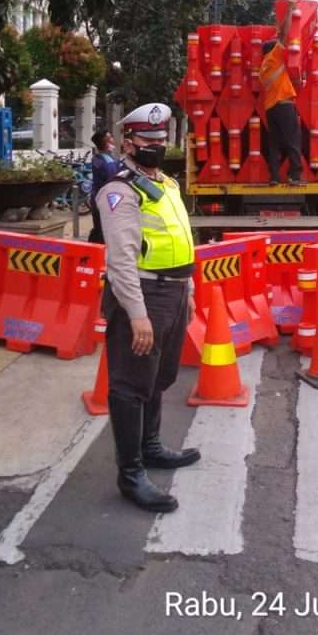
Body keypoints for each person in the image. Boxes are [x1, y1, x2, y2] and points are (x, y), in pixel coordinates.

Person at [97, 103, 199, 513]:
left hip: (172, 292)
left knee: (158, 376)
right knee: (130, 384)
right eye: (147, 140)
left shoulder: (168, 185)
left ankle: (152, 446)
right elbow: (120, 259)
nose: (155, 146)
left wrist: (187, 288)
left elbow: (180, 238)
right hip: (143, 294)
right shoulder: (120, 191)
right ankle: (131, 473)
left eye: (160, 139)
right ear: (128, 143)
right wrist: (136, 313)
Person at [258, 0, 304, 185]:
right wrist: (290, 10)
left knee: (274, 144)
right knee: (292, 140)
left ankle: (274, 177)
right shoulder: (274, 57)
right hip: (284, 106)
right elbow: (284, 35)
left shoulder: (262, 68)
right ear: (273, 49)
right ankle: (294, 175)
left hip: (271, 109)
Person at [89, 129, 120, 243]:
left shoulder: (109, 158)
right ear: (106, 143)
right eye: (110, 137)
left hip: (109, 199)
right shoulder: (101, 160)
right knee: (101, 231)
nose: (113, 139)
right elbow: (113, 177)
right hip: (102, 200)